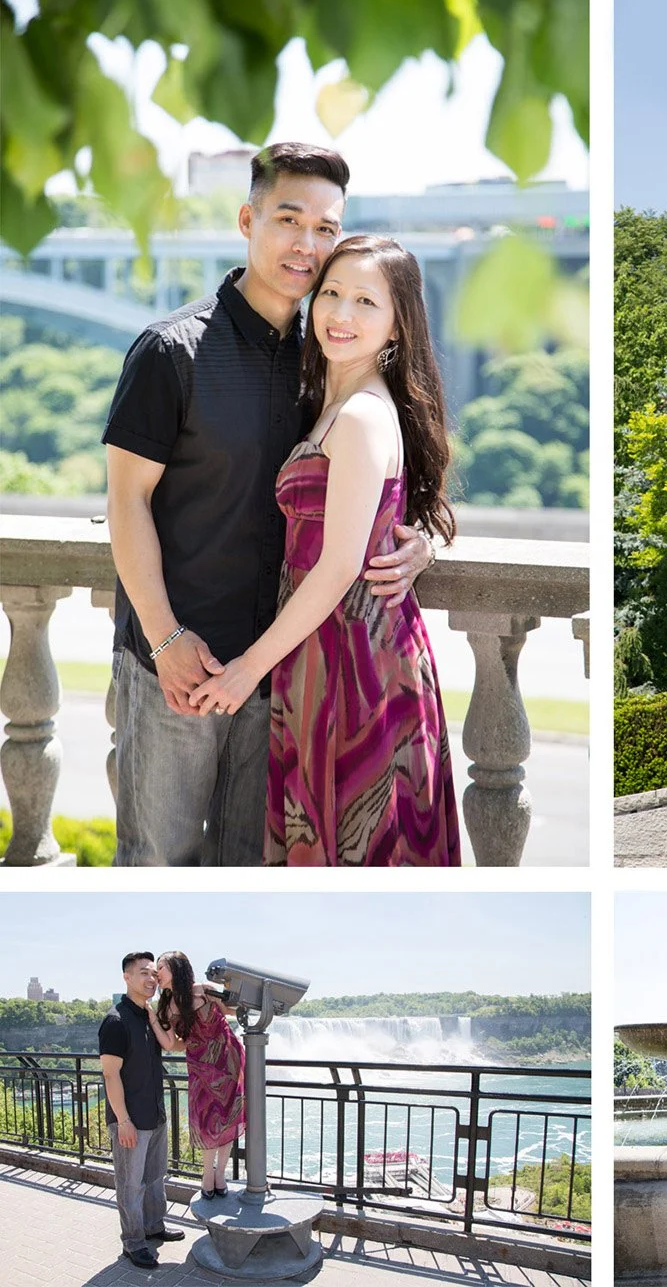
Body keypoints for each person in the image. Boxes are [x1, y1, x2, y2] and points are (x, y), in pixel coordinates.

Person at [103, 142, 433, 868]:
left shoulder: (327, 361)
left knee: (253, 867)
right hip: (176, 667)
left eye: (325, 228)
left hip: (281, 675)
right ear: (248, 220)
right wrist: (165, 641)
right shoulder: (170, 353)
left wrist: (420, 541)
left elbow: (371, 478)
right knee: (157, 863)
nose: (307, 244)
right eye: (289, 219)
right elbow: (126, 504)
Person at [189, 234, 460, 866]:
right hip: (322, 652)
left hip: (355, 664)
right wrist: (422, 539)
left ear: (398, 327)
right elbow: (382, 513)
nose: (340, 314)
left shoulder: (362, 416)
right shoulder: (328, 406)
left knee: (361, 843)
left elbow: (339, 565)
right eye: (332, 293)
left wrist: (247, 668)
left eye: (367, 301)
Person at [98, 951, 186, 1269]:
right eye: (143, 973)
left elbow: (176, 1043)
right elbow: (110, 1075)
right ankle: (133, 1243)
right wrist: (123, 1120)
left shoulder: (148, 1016)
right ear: (126, 977)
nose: (150, 979)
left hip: (155, 1115)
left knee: (154, 1178)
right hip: (131, 1119)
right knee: (130, 1184)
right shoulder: (116, 1021)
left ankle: (153, 1227)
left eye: (153, 973)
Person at [150, 951, 246, 1198]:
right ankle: (207, 1174)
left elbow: (231, 1010)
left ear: (177, 968)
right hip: (200, 1068)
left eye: (161, 967)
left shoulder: (203, 989)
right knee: (205, 1120)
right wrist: (152, 1017)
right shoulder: (166, 1006)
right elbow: (172, 1044)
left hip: (228, 1061)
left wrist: (242, 996)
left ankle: (220, 1175)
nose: (156, 973)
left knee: (229, 1116)